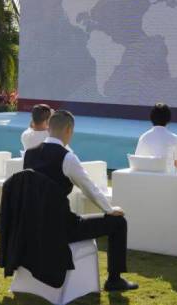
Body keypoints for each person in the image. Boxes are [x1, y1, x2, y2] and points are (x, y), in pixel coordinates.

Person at [23, 110, 138, 291]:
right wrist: (109, 209)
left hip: (32, 226)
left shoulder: (29, 154)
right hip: (60, 229)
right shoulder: (67, 157)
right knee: (118, 222)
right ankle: (114, 280)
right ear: (69, 130)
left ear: (49, 128)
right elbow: (89, 188)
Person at [135, 103, 177, 175]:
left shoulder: (144, 137)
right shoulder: (175, 138)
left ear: (151, 118)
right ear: (168, 119)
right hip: (169, 179)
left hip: (148, 178)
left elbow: (137, 162)